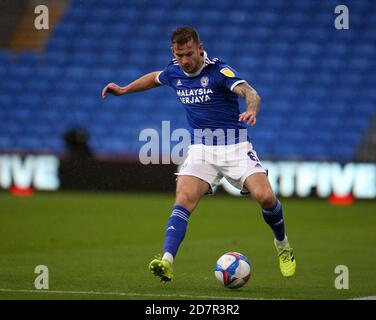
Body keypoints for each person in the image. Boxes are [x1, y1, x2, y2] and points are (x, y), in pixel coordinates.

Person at [102, 26, 296, 282]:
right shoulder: (174, 71)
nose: (185, 60)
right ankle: (167, 261)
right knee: (183, 198)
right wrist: (125, 89)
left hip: (235, 146)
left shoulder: (219, 71)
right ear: (174, 52)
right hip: (201, 149)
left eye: (189, 54)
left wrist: (252, 109)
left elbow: (251, 92)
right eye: (179, 54)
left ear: (200, 48)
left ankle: (283, 247)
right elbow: (155, 77)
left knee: (266, 196)